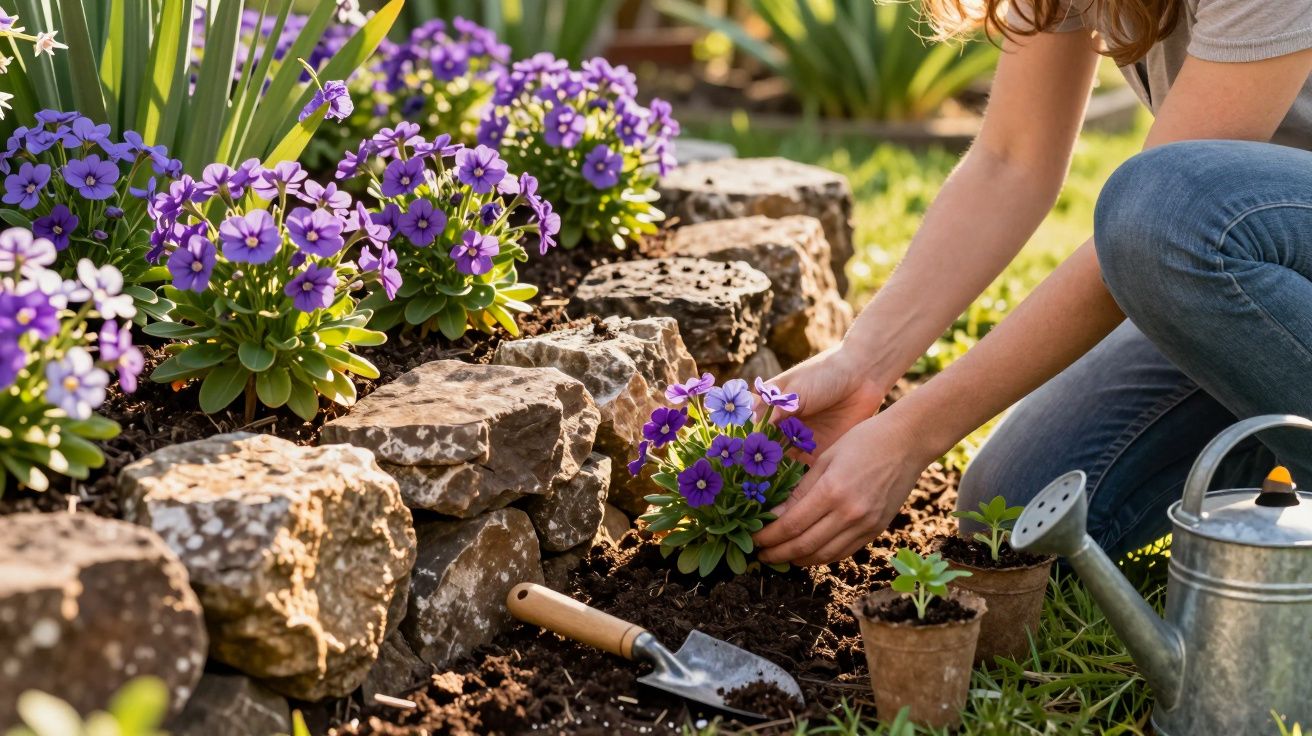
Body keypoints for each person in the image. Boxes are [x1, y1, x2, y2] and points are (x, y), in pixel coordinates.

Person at [752, 0, 1312, 567]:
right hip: (1266, 282)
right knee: (1018, 507)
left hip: (1234, 234)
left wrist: (909, 436)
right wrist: (863, 366)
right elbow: (1011, 158)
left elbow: (1162, 222)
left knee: (1164, 204)